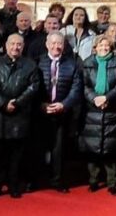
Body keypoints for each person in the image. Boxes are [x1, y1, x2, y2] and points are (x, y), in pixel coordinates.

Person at [0, 33, 40, 199]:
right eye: (12, 44)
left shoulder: (30, 65)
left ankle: (14, 184)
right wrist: (2, 103)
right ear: (6, 45)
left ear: (23, 47)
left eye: (19, 45)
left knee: (17, 155)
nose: (16, 47)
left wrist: (17, 103)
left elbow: (33, 86)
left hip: (19, 115)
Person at [80, 34, 116, 195]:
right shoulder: (87, 64)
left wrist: (107, 98)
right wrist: (95, 98)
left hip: (111, 111)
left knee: (111, 149)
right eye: (101, 45)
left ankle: (112, 182)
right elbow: (84, 86)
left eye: (107, 45)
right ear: (95, 47)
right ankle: (93, 180)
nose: (104, 48)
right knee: (92, 148)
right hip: (92, 111)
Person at [36, 32, 83, 191]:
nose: (57, 46)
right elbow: (33, 87)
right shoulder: (37, 62)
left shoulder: (72, 64)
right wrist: (41, 104)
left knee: (59, 149)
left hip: (63, 112)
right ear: (47, 44)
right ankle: (37, 180)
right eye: (53, 43)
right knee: (39, 146)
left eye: (60, 43)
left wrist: (64, 104)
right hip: (41, 112)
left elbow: (76, 88)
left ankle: (57, 180)